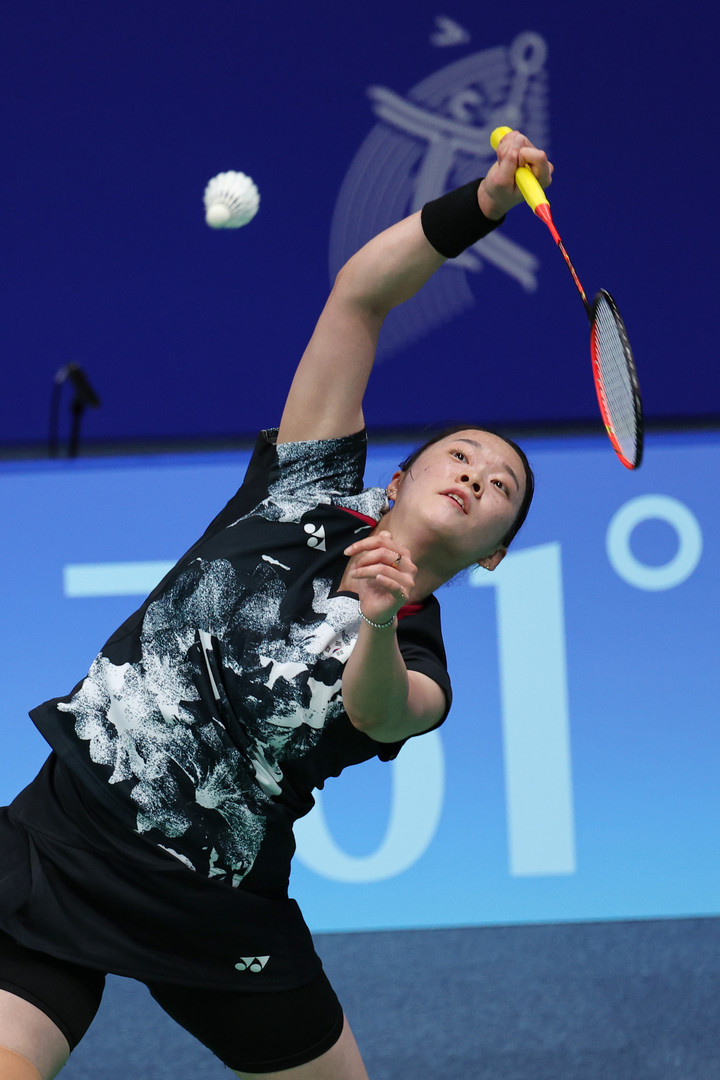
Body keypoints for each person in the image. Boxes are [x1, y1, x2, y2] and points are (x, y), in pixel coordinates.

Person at [0, 129, 551, 1080]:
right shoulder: (303, 487)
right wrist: (485, 204)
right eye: (460, 454)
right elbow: (360, 296)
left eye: (501, 484)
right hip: (67, 832)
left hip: (215, 908)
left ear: (495, 553)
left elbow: (382, 711)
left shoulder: (419, 657)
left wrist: (377, 618)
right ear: (404, 473)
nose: (476, 474)